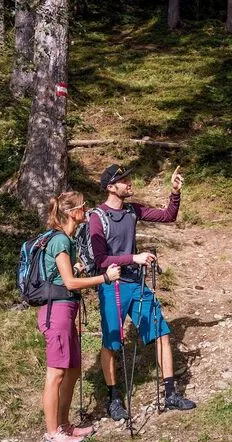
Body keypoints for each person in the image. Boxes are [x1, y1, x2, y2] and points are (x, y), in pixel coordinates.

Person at [90, 164, 196, 421]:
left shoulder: (131, 210)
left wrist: (175, 192)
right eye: (124, 180)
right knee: (111, 344)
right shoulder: (97, 217)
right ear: (110, 187)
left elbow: (168, 216)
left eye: (128, 178)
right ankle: (114, 399)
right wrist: (133, 258)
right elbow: (100, 260)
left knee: (161, 333)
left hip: (137, 285)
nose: (130, 182)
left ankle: (170, 394)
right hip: (112, 286)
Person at [39, 191, 121, 442]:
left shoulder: (66, 240)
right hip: (57, 311)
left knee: (73, 370)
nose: (86, 210)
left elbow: (65, 275)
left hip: (67, 310)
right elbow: (70, 283)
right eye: (83, 206)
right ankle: (52, 434)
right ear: (72, 212)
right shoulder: (60, 240)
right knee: (56, 373)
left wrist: (78, 267)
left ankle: (63, 425)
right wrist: (104, 278)